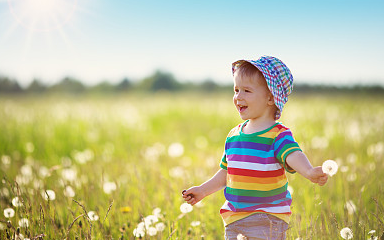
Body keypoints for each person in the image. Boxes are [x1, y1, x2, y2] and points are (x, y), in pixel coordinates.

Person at [182, 56, 328, 240]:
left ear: (270, 97)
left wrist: (308, 171)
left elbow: (293, 154)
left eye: (247, 90)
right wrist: (202, 190)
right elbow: (227, 173)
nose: (238, 97)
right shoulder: (234, 136)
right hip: (234, 219)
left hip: (267, 219)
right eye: (236, 90)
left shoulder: (278, 134)